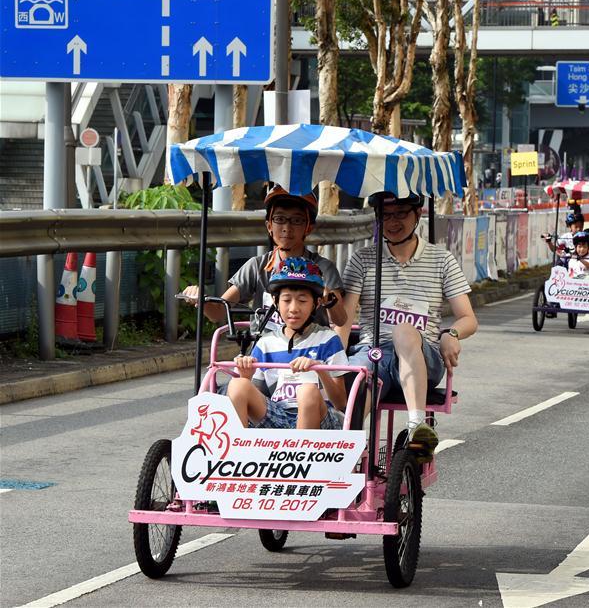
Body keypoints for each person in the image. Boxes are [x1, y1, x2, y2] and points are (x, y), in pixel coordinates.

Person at [341, 193, 478, 462]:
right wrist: (334, 361)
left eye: (401, 213)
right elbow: (344, 320)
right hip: (374, 352)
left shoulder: (442, 259)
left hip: (422, 356)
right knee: (357, 382)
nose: (393, 222)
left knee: (403, 330)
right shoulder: (362, 260)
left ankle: (417, 428)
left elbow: (468, 318)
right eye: (386, 215)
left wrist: (451, 333)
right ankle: (349, 453)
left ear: (417, 214)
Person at [182, 184, 348, 340]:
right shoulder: (257, 266)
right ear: (269, 225)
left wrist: (329, 299)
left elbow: (340, 320)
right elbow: (218, 312)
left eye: (296, 221)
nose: (286, 228)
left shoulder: (323, 268)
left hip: (309, 353)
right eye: (279, 219)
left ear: (308, 228)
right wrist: (201, 299)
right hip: (264, 354)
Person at [226, 258, 349, 430]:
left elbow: (341, 402)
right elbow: (258, 396)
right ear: (275, 302)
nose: (293, 308)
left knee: (307, 392)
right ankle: (237, 452)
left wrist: (319, 370)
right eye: (286, 300)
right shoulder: (265, 343)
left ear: (316, 303)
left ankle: (301, 454)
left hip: (323, 419)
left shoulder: (328, 339)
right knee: (238, 384)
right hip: (279, 415)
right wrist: (246, 375)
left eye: (302, 300)